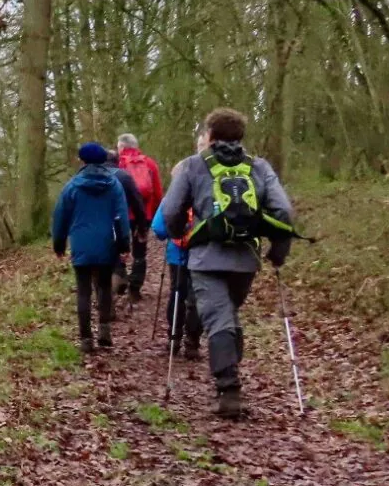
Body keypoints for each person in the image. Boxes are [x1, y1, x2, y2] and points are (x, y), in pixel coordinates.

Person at [157, 108, 295, 419]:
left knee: (219, 318)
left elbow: (170, 211)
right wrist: (279, 249)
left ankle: (229, 389)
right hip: (245, 259)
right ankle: (230, 369)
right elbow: (283, 211)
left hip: (205, 258)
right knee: (227, 314)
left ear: (211, 135)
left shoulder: (193, 166)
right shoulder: (258, 167)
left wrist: (179, 233)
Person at [52, 142, 132, 356]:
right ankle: (104, 330)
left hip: (81, 243)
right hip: (107, 243)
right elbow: (122, 216)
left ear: (83, 160)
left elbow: (60, 217)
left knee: (84, 291)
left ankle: (86, 339)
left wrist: (59, 243)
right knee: (104, 286)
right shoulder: (114, 185)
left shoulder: (72, 186)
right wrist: (124, 243)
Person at [116, 134, 163, 299]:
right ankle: (135, 288)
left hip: (121, 215)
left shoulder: (117, 165)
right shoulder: (149, 164)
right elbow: (157, 193)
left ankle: (119, 280)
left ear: (121, 147)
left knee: (118, 247)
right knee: (140, 252)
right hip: (144, 215)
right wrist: (154, 212)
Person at [151, 206, 201, 361]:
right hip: (201, 254)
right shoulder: (207, 193)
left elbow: (159, 229)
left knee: (177, 293)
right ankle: (192, 342)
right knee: (197, 297)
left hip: (177, 253)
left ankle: (174, 338)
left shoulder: (173, 197)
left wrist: (170, 233)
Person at [109, 153, 150, 305]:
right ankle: (134, 288)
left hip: (103, 223)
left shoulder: (90, 175)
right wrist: (143, 224)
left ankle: (112, 292)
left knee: (111, 255)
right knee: (137, 253)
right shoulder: (128, 174)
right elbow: (140, 200)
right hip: (127, 219)